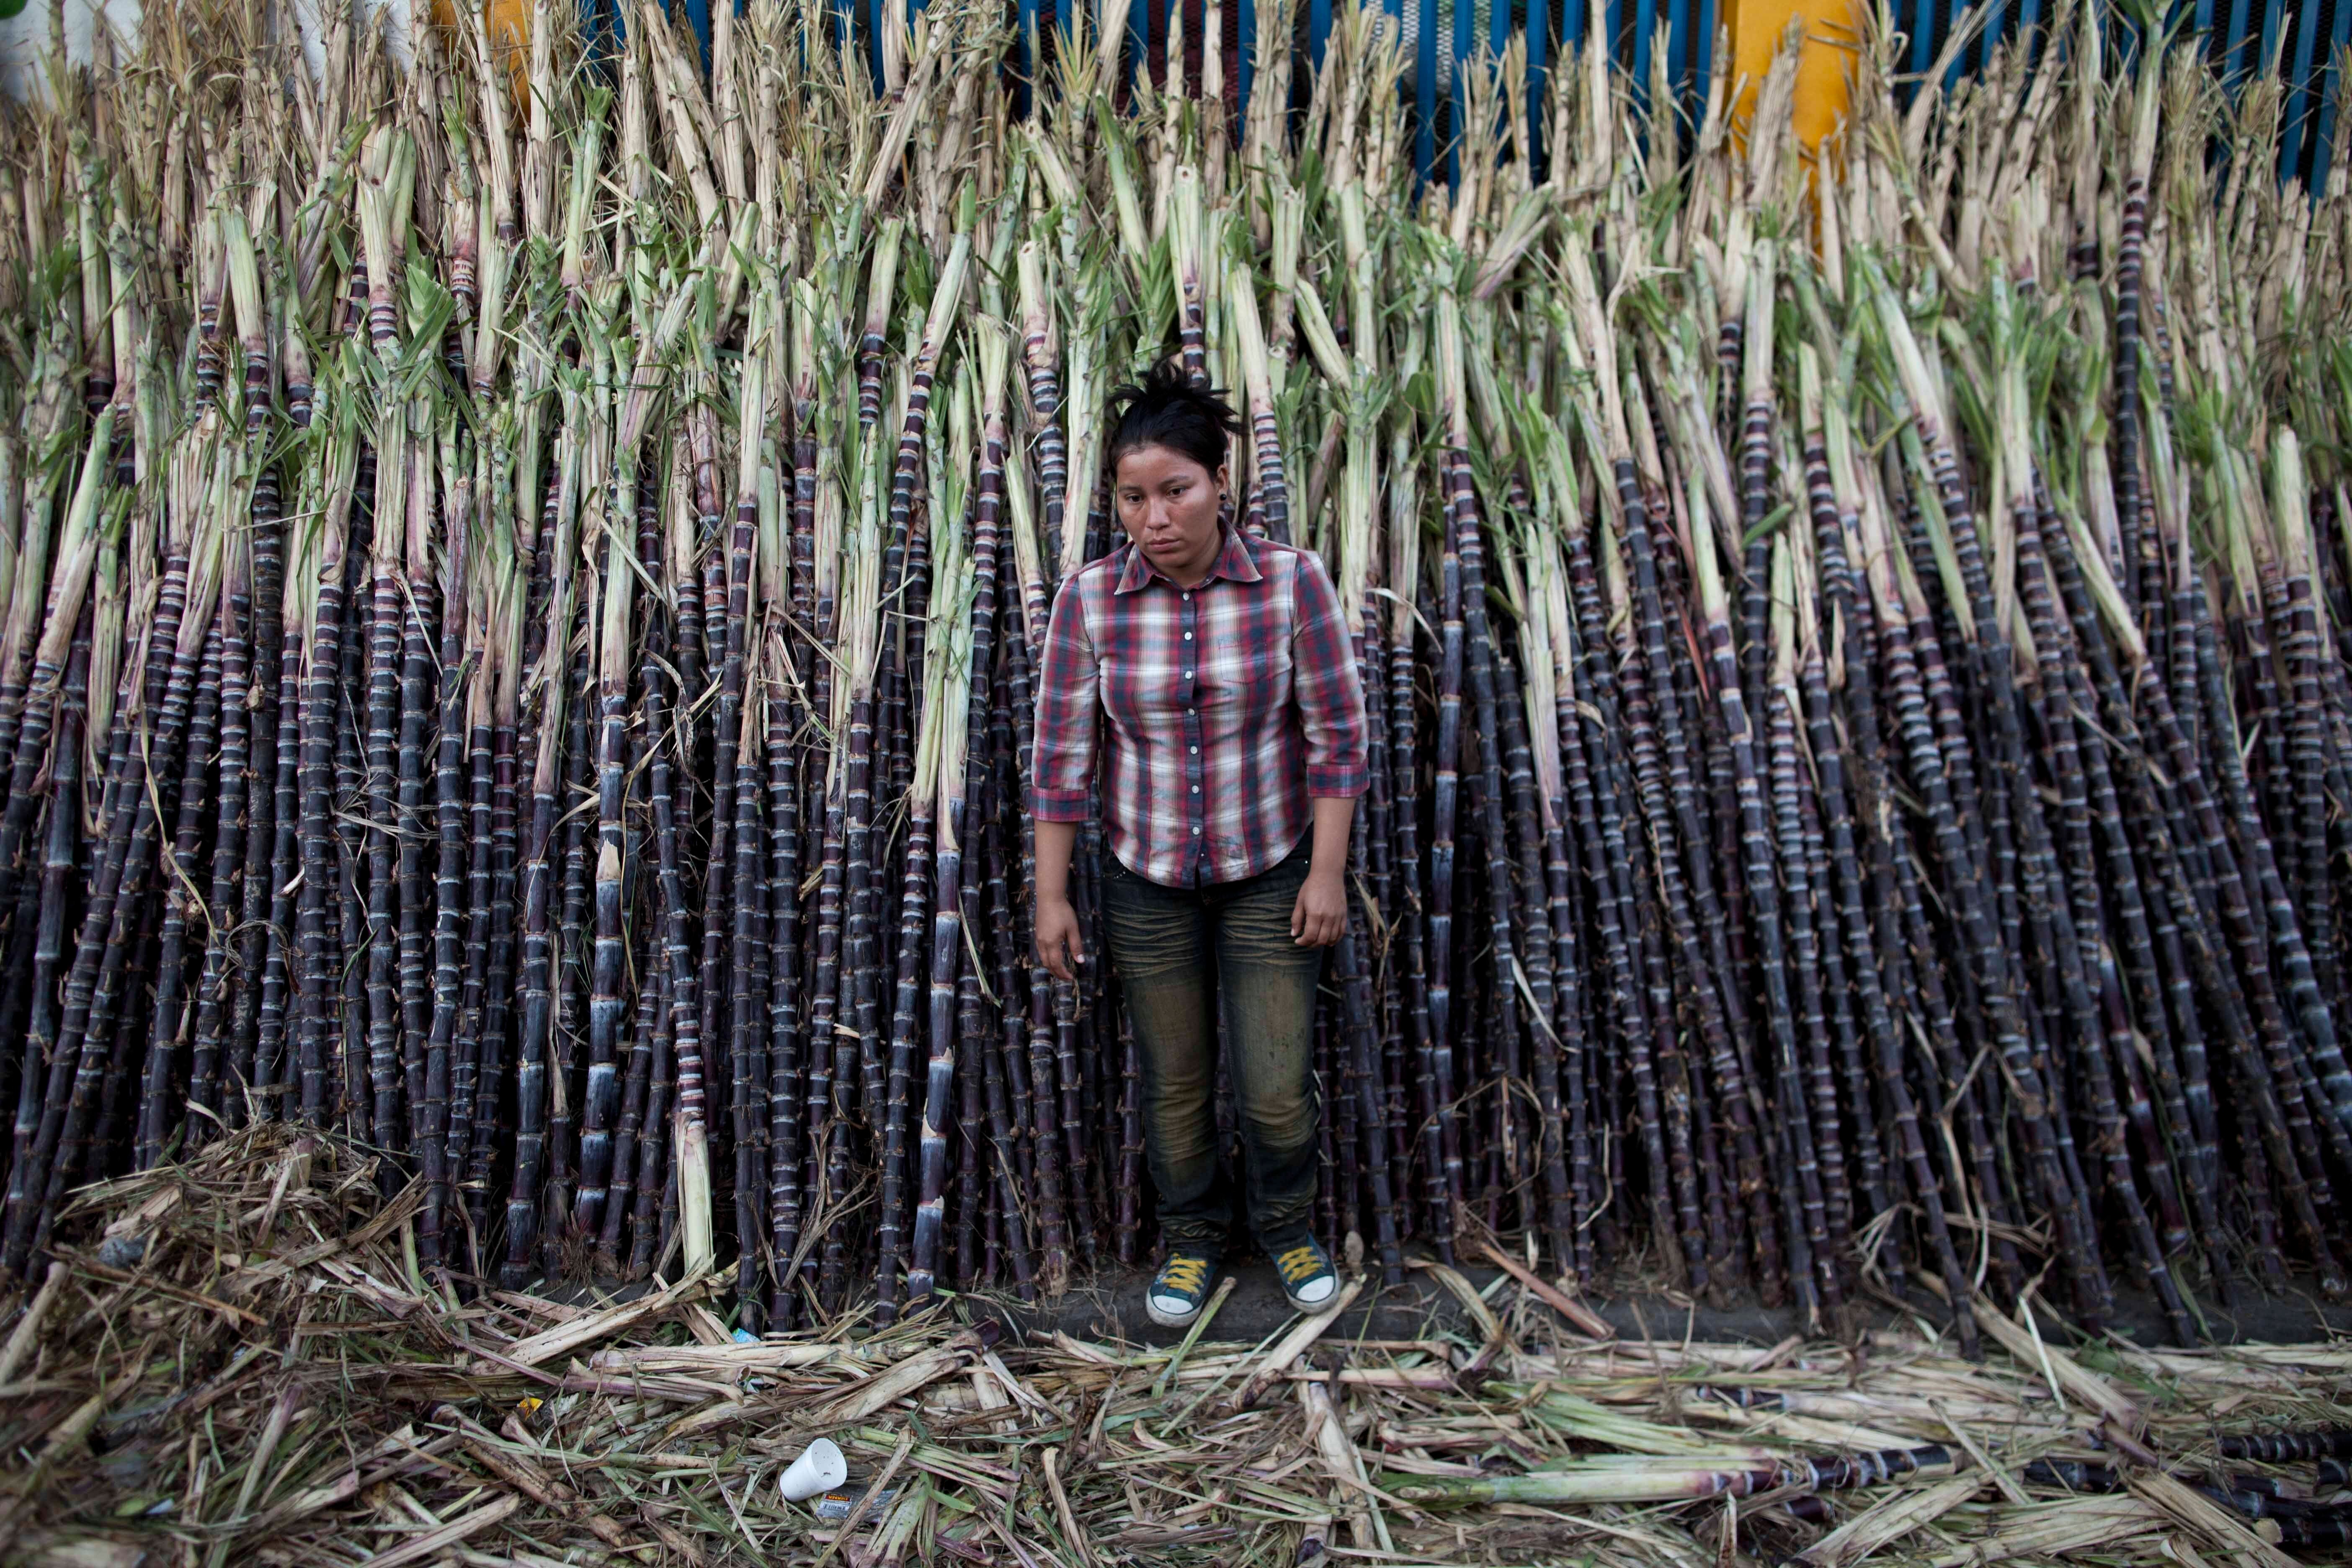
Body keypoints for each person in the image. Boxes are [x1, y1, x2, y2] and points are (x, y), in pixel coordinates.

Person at [1030, 361, 1369, 1328]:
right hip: (1146, 884)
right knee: (1175, 1087)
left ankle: (1287, 1226)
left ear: (1220, 484)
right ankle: (1191, 1242)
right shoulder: (1091, 601)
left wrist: (1329, 872)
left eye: (1175, 491)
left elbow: (1338, 736)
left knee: (1271, 1086)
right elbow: (1061, 756)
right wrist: (1052, 897)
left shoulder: (1291, 583)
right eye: (1133, 498)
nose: (1154, 517)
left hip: (1270, 875)